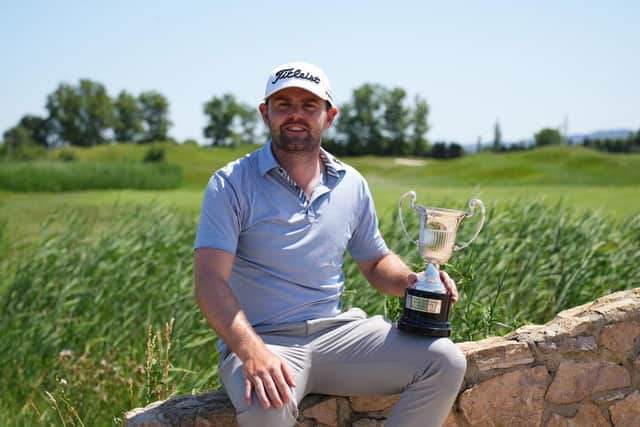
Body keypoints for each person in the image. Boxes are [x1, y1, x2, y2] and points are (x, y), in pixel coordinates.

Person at [194, 61, 466, 427]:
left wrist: (414, 282)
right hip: (265, 340)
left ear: (329, 115)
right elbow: (209, 282)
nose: (295, 115)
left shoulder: (350, 183)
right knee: (266, 407)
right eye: (283, 104)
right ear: (265, 113)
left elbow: (375, 262)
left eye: (309, 106)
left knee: (445, 361)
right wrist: (252, 351)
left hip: (337, 334)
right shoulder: (230, 184)